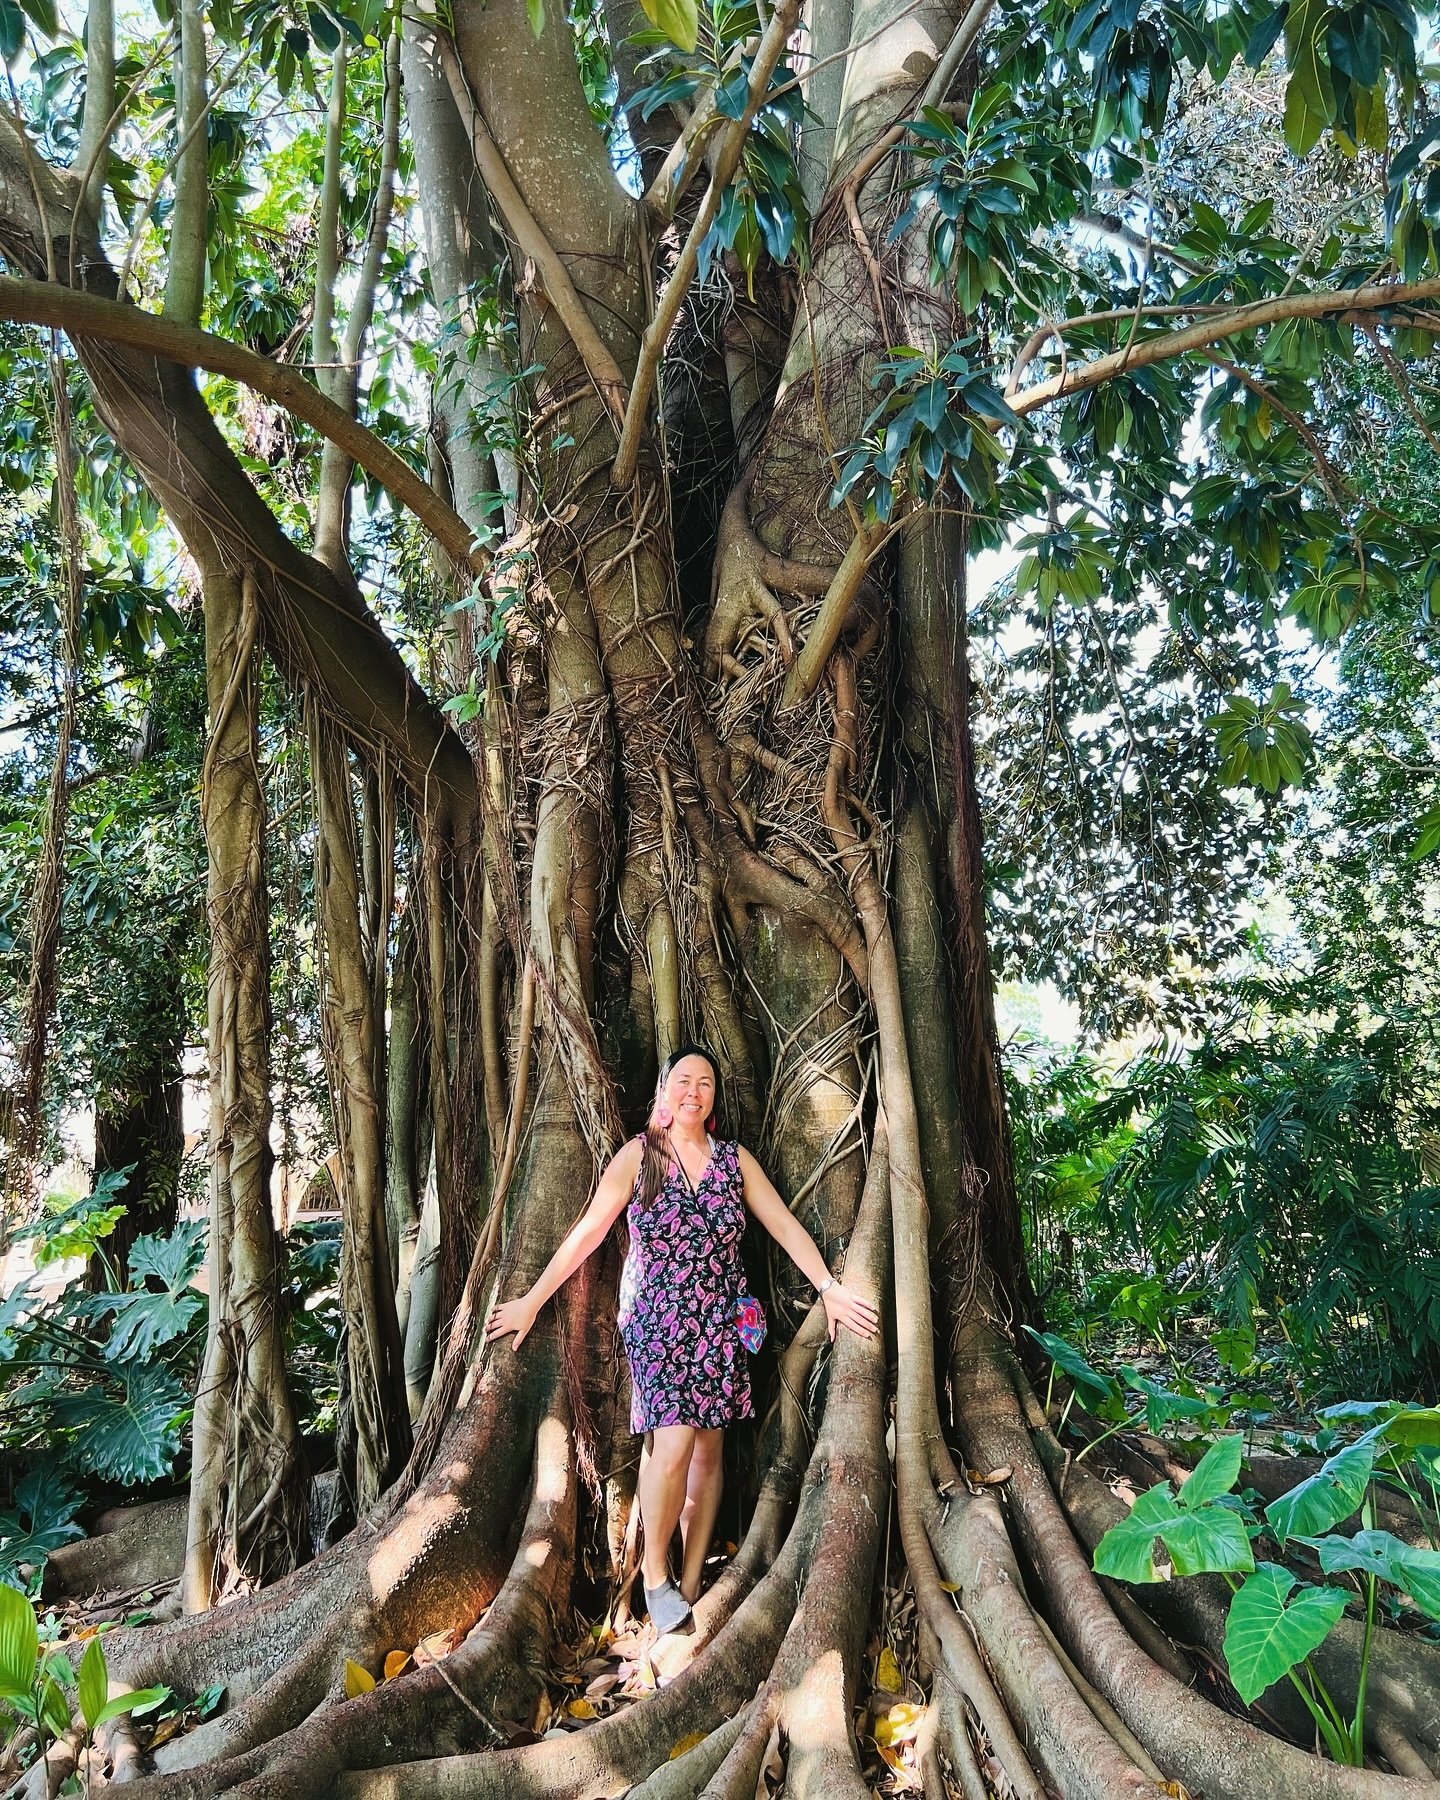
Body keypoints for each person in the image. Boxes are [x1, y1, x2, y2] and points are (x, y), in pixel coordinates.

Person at [485, 1043, 879, 1635]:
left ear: (713, 1099)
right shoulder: (640, 1156)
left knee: (710, 1450)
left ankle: (692, 1583)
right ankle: (654, 1575)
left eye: (705, 1084)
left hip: (719, 1319)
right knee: (671, 1444)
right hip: (656, 1319)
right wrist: (531, 1302)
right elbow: (589, 1231)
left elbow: (783, 1224)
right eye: (683, 1081)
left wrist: (829, 1287)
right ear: (665, 1091)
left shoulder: (732, 1161)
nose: (694, 1091)